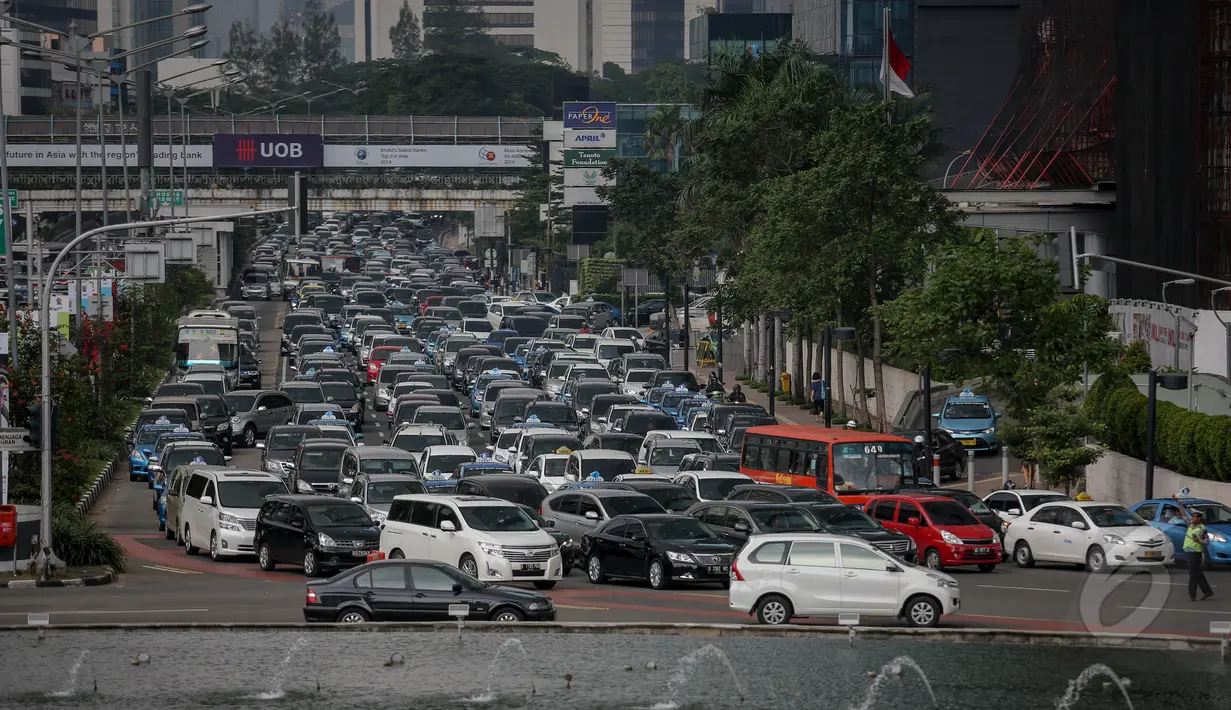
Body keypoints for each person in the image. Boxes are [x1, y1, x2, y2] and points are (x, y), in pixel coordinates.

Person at [1173, 497, 1214, 601]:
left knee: (1192, 574)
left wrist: (1198, 541)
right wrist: (1178, 503)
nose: (1192, 518)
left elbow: (1207, 542)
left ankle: (1192, 595)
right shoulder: (1190, 525)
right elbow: (1184, 515)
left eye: (1194, 517)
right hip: (1189, 552)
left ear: (1199, 518)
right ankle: (1207, 591)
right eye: (1192, 517)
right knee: (1197, 573)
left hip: (1195, 553)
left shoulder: (1202, 529)